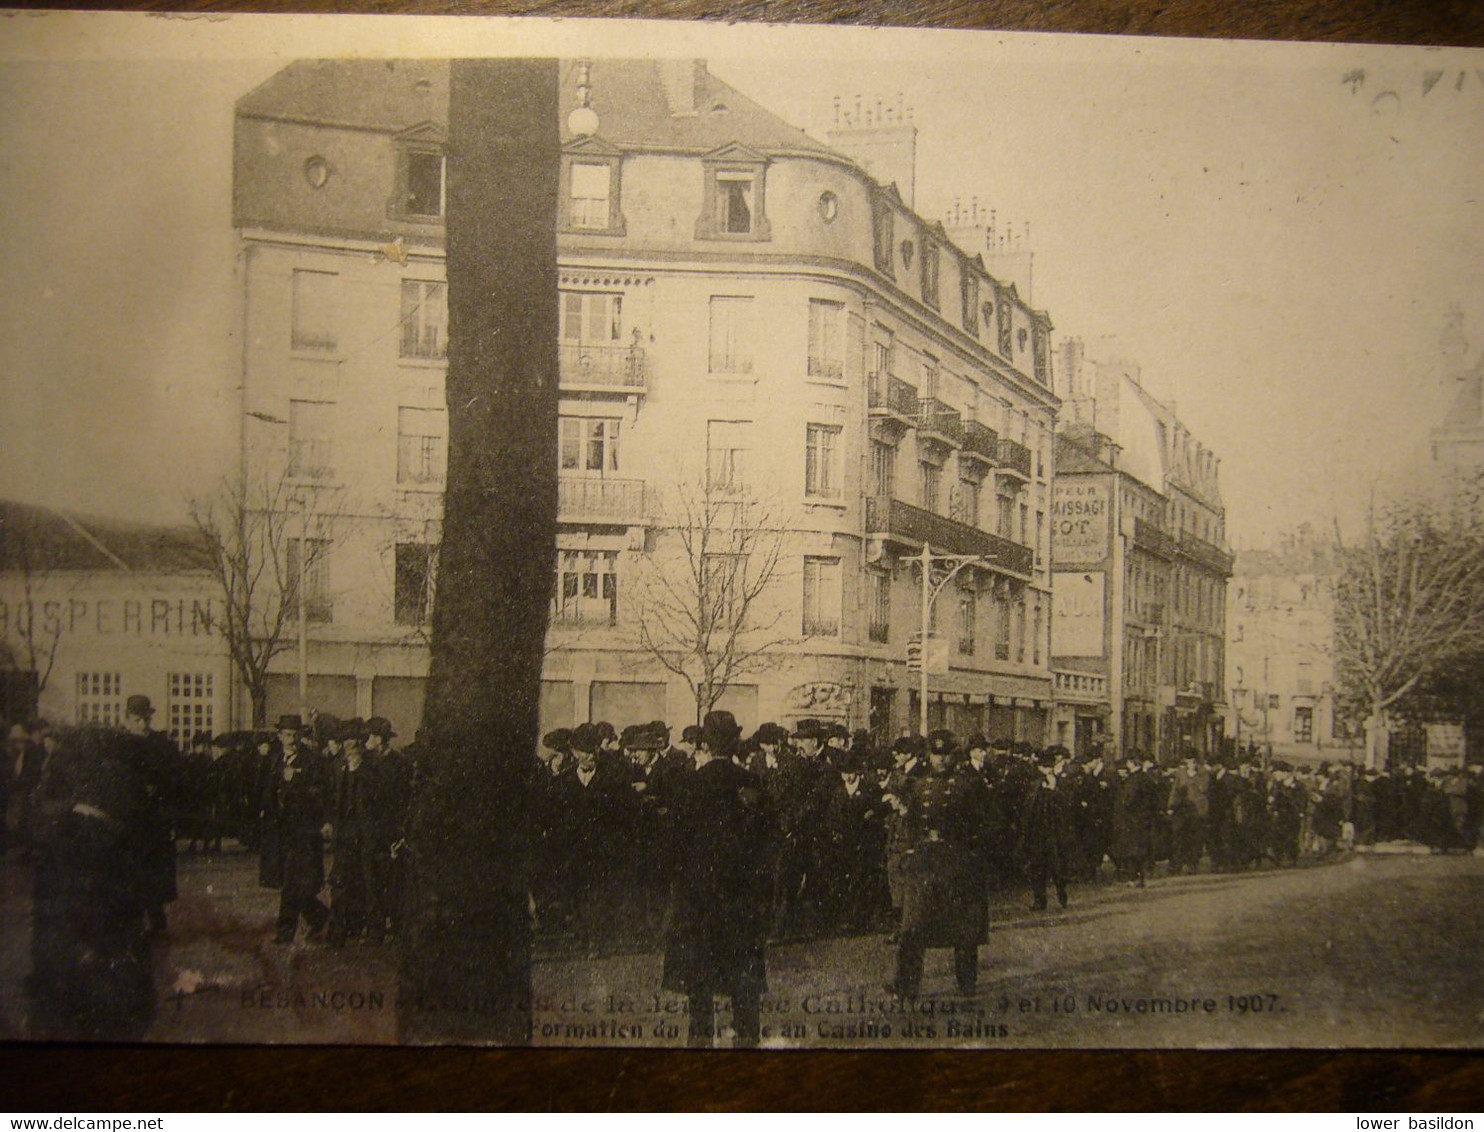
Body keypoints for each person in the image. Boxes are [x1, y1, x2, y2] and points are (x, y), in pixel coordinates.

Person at [661, 710, 775, 1048]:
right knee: (743, 980)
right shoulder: (752, 784)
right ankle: (747, 1043)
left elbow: (671, 847)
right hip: (741, 898)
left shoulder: (687, 784)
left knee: (700, 980)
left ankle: (699, 1045)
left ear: (705, 744)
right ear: (735, 741)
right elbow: (769, 846)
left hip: (697, 899)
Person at [885, 730, 992, 998]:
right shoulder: (919, 785)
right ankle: (906, 985)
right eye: (935, 754)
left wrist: (971, 852)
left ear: (953, 756)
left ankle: (967, 983)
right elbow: (907, 822)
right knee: (913, 926)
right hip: (925, 863)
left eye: (945, 755)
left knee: (964, 930)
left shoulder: (970, 784)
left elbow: (987, 823)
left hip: (958, 864)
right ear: (929, 755)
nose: (940, 760)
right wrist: (910, 849)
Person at [259, 714, 332, 944]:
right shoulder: (274, 759)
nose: (291, 739)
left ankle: (285, 932)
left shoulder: (311, 760)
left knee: (292, 881)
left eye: (294, 735)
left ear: (300, 736)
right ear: (279, 736)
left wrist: (295, 783)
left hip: (303, 832)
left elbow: (320, 794)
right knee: (291, 881)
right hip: (280, 831)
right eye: (287, 735)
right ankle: (320, 915)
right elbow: (268, 790)